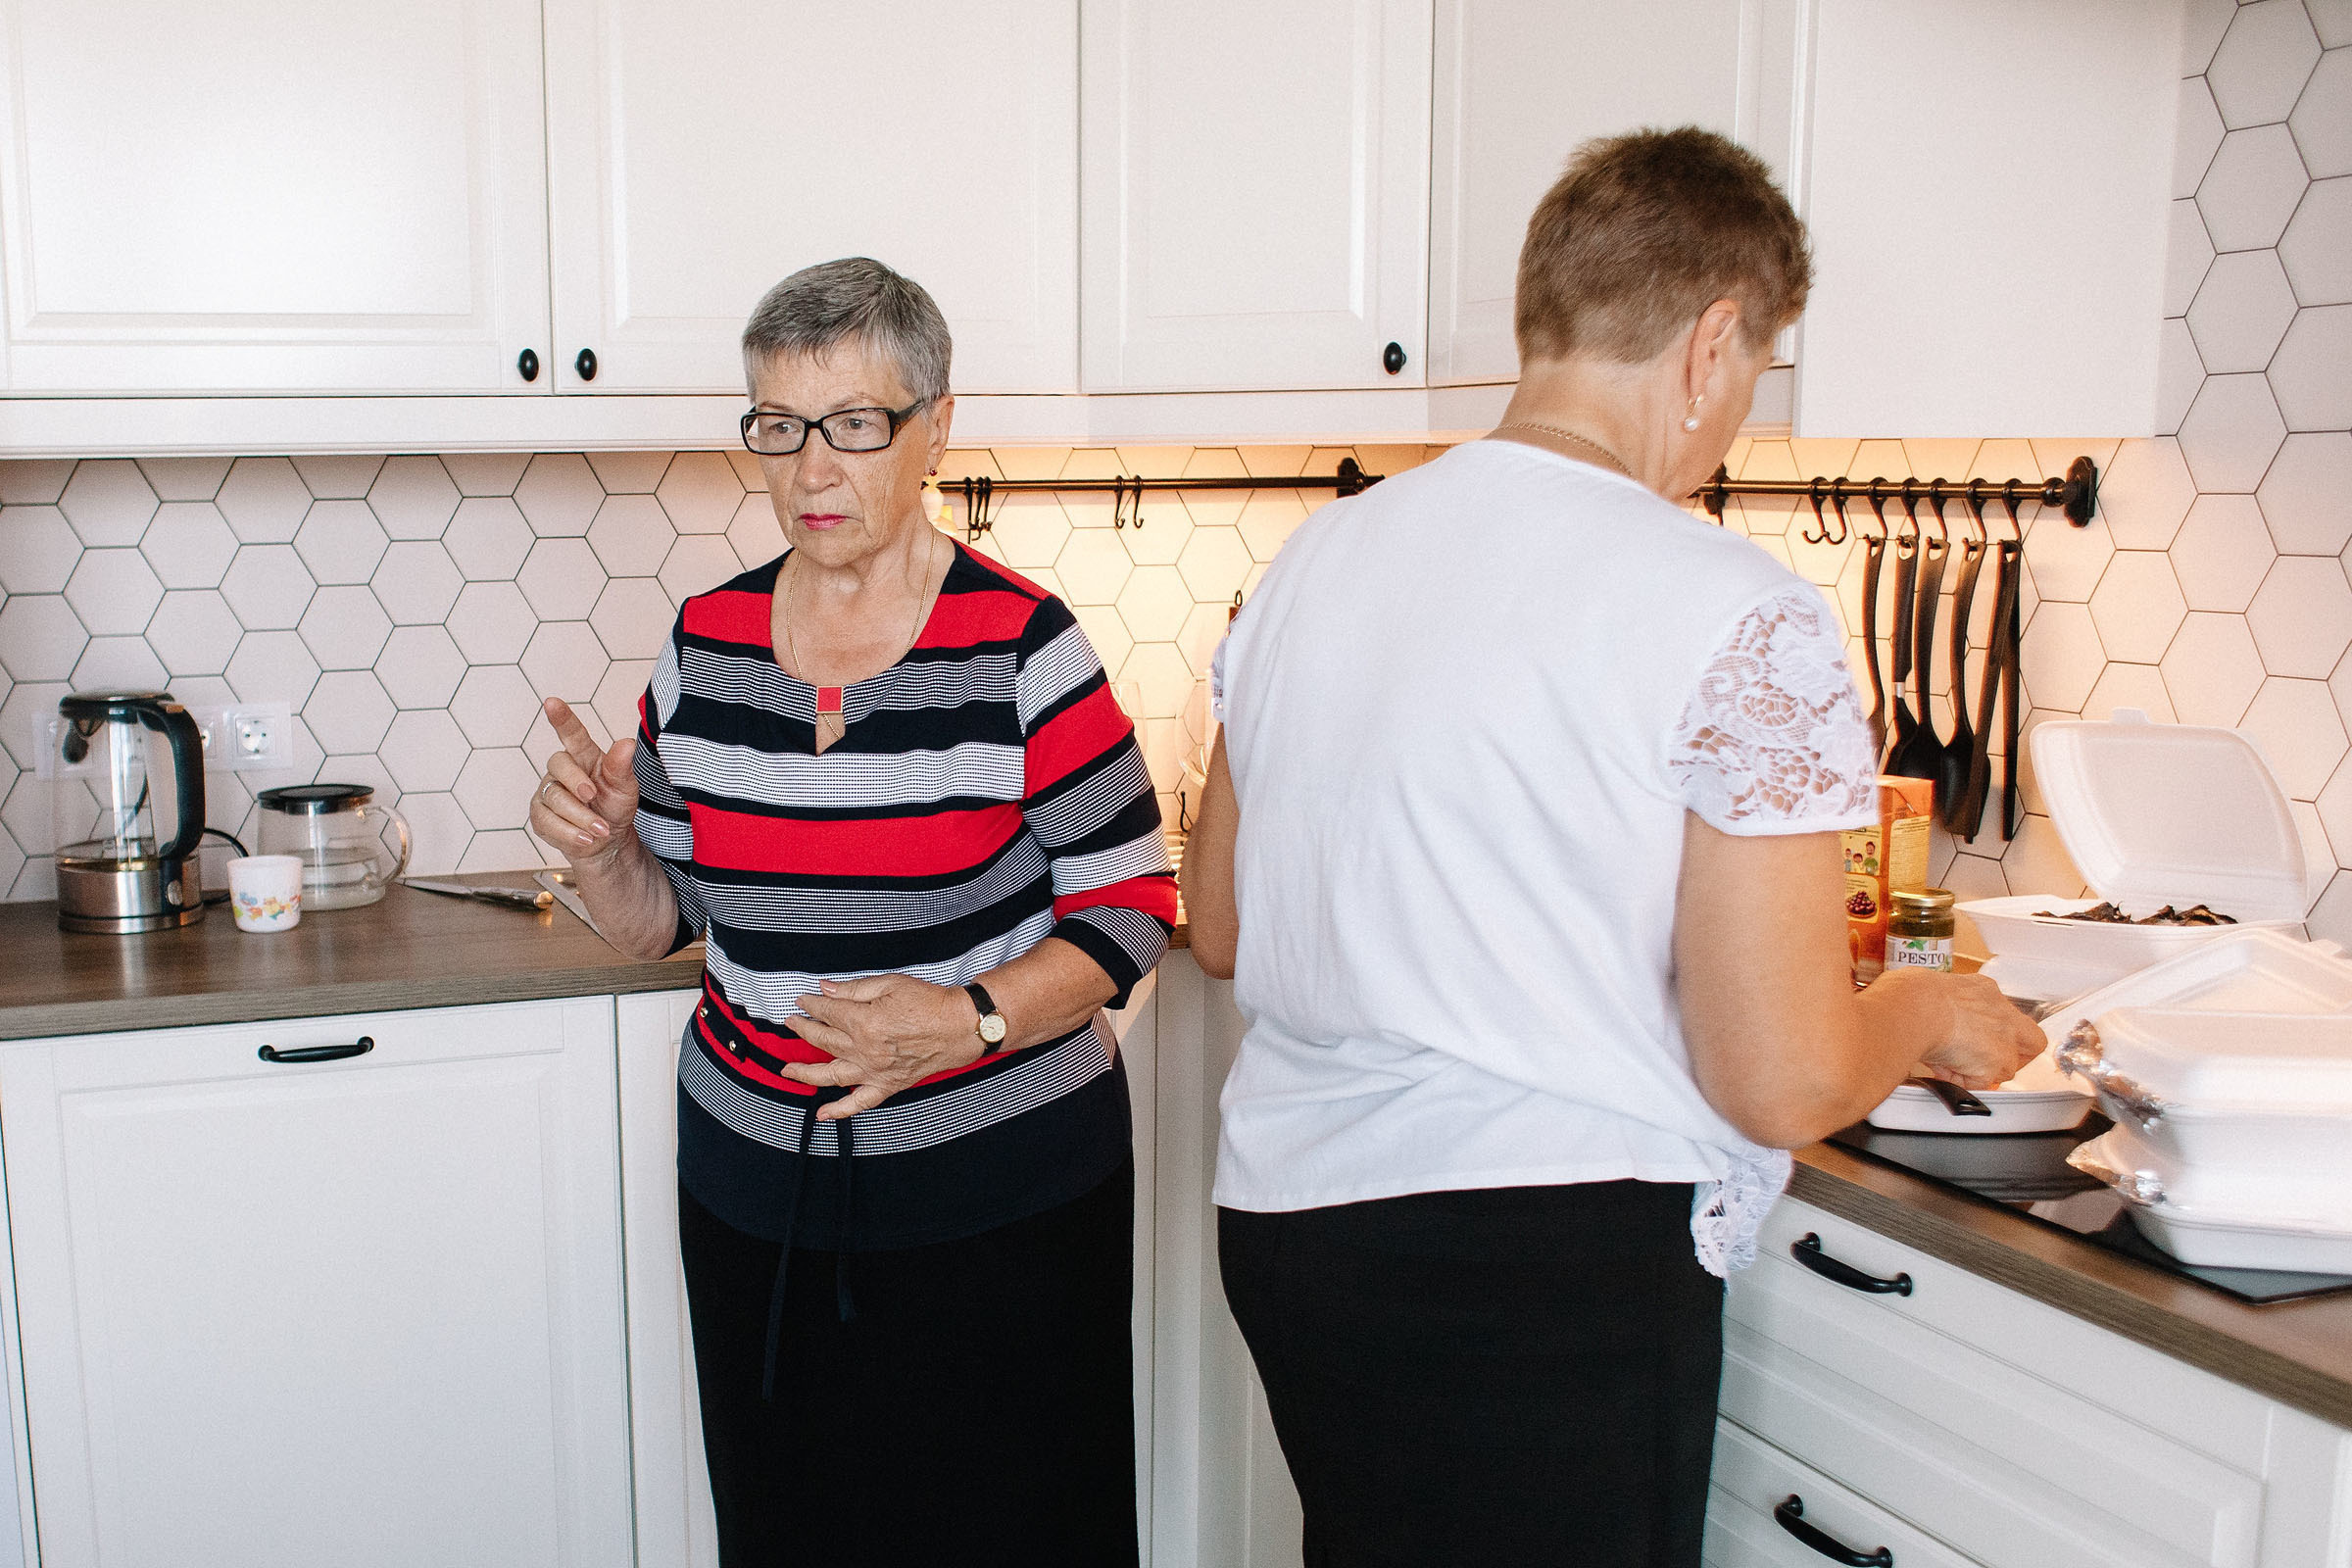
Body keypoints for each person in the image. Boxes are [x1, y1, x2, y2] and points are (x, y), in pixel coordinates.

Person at [1180, 128, 2042, 1568]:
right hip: (1541, 1264)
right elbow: (1775, 1077)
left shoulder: (1316, 561)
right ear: (1712, 343)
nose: (1738, 419)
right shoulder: (1733, 611)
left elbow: (1223, 928)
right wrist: (1921, 1009)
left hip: (1298, 1232)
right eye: (1757, 372)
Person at [529, 257, 1175, 1566]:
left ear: (934, 426)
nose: (810, 468)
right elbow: (676, 917)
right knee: (792, 1530)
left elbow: (1132, 905)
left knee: (1015, 1532)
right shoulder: (704, 646)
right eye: (777, 426)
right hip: (755, 1196)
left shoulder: (1025, 650)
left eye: (853, 424)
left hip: (1003, 1207)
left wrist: (969, 1022)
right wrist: (602, 857)